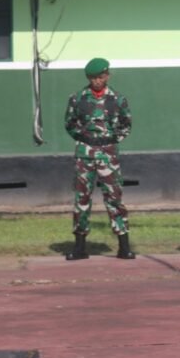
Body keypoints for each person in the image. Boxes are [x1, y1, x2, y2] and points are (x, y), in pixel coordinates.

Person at [64, 57, 135, 260]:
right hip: (85, 154)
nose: (97, 81)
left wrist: (111, 140)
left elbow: (126, 124)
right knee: (82, 199)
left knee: (115, 199)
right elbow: (70, 124)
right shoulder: (78, 98)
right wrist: (85, 139)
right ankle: (80, 247)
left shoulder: (118, 99)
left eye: (101, 77)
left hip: (108, 154)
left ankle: (124, 246)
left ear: (107, 76)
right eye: (93, 78)